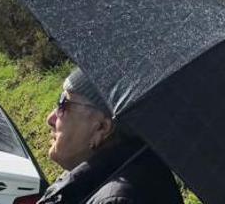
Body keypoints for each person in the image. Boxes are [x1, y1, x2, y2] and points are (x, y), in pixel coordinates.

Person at [37, 68, 183, 204]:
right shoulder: (124, 176)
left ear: (102, 128)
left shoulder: (117, 200)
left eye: (64, 104)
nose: (50, 118)